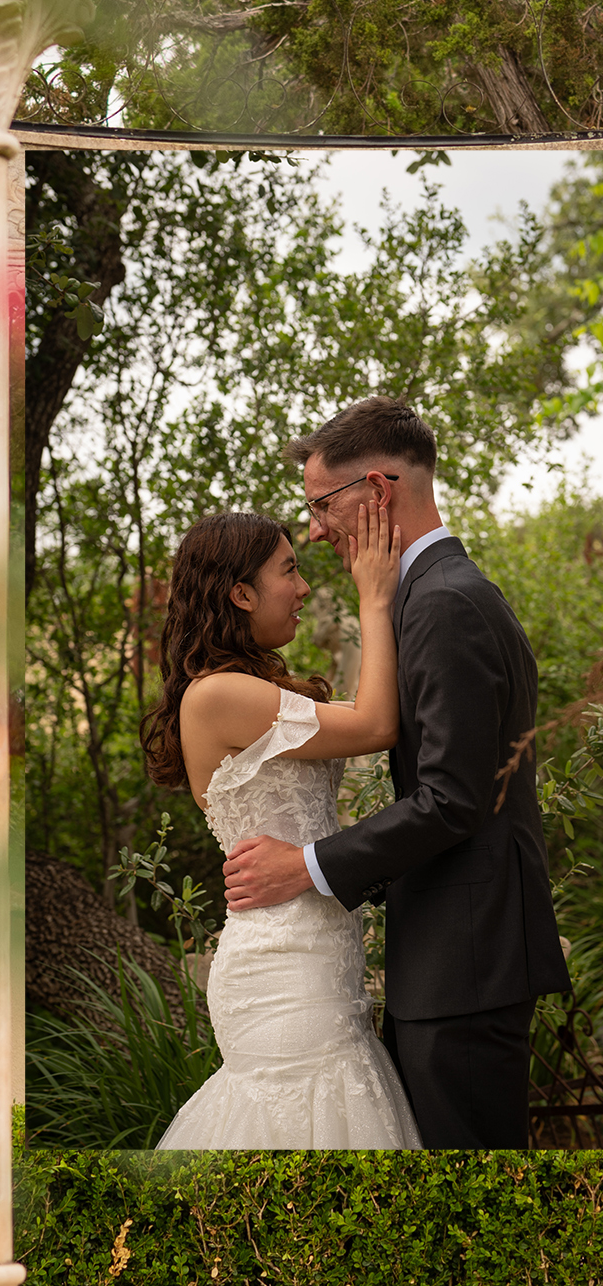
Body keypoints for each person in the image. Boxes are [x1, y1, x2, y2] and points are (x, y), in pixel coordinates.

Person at [222, 396, 572, 1149]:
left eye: (322, 504)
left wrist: (307, 866)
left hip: (468, 962)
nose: (314, 529)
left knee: (472, 1212)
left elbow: (451, 799)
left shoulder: (444, 603)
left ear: (377, 492)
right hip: (455, 955)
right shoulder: (425, 596)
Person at [141, 503, 421, 1148]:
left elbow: (375, 710)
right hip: (285, 975)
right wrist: (373, 600)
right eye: (288, 572)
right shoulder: (217, 695)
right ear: (241, 593)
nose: (302, 589)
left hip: (320, 959)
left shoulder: (254, 691)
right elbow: (379, 725)